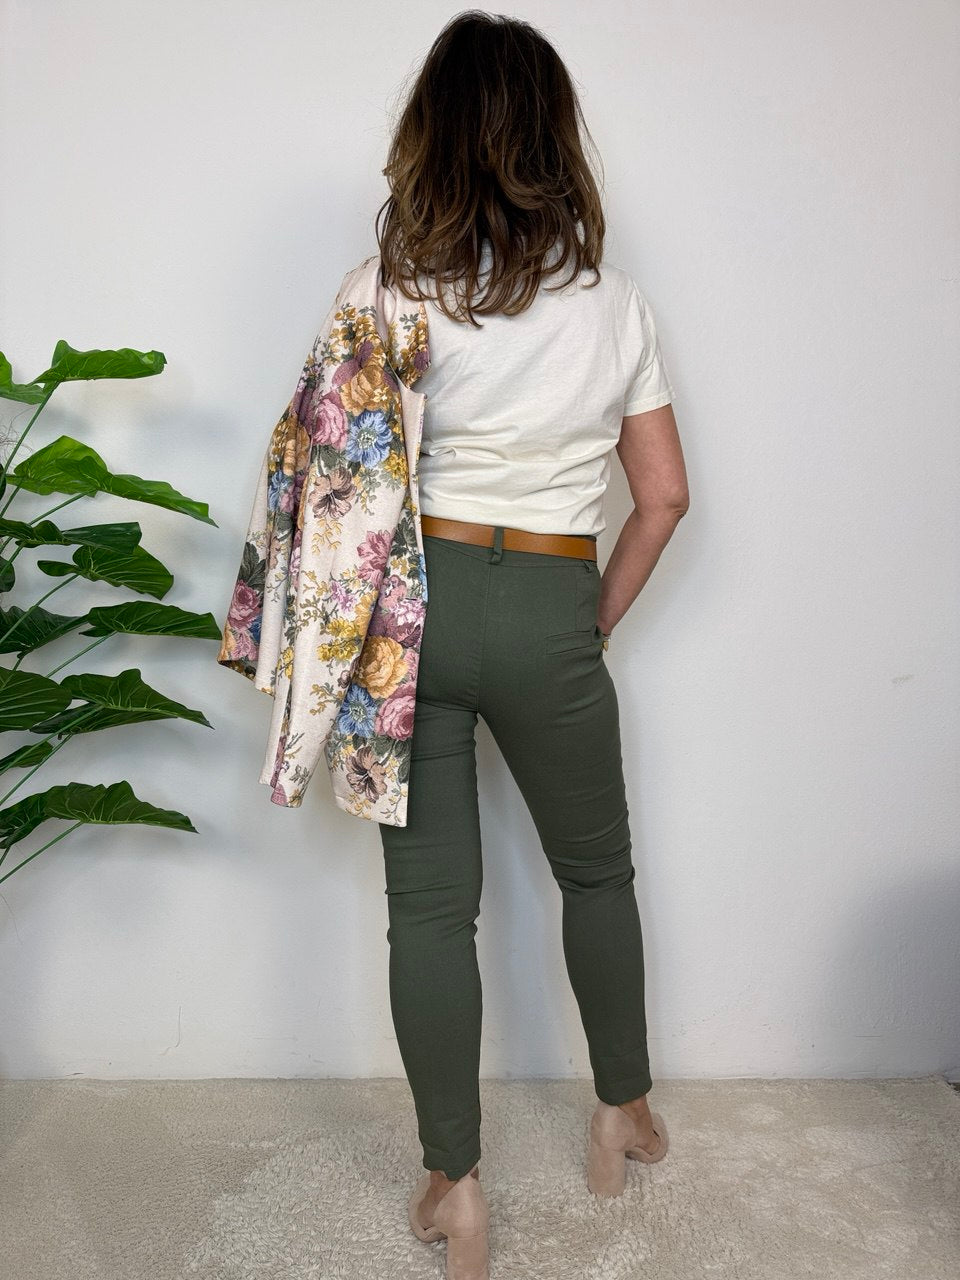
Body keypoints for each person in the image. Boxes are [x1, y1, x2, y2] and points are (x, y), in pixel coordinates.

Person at [374, 12, 689, 1277]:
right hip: (554, 595)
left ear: (434, 134)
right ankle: (621, 1112)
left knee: (427, 913)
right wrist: (588, 620)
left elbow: (333, 486)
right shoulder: (615, 304)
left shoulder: (387, 288)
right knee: (597, 874)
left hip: (419, 605)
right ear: (555, 138)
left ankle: (454, 1185)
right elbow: (663, 496)